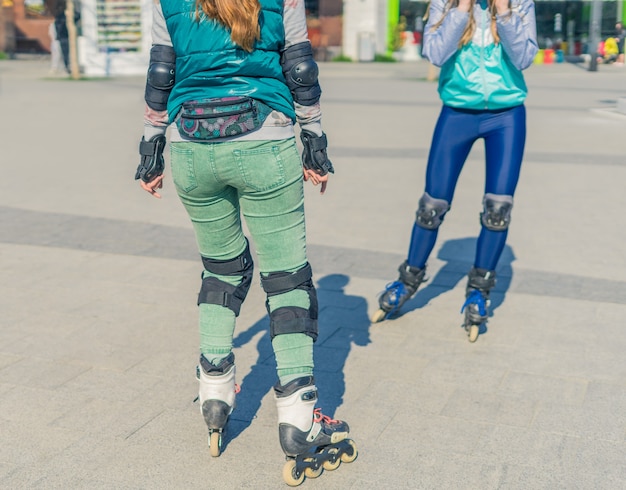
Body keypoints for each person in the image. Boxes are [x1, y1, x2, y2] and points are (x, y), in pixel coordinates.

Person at [135, 0, 356, 484]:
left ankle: (215, 393)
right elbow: (298, 65)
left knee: (222, 269)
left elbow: (160, 71)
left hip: (191, 144)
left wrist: (151, 147)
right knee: (286, 278)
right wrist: (314, 138)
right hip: (263, 141)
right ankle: (300, 418)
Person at [371, 0, 538, 343]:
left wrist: (504, 12)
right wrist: (461, 8)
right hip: (457, 114)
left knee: (498, 210)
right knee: (431, 206)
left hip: (506, 117)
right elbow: (434, 54)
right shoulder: (444, 4)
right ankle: (407, 281)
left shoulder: (520, 4)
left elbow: (523, 58)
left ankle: (479, 291)